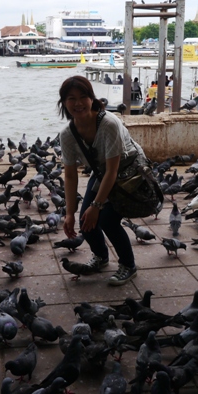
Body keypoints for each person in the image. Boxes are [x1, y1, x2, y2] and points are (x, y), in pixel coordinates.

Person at [58, 76, 138, 286]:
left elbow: (113, 170)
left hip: (128, 171)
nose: (78, 103)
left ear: (92, 98)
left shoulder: (109, 124)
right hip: (102, 171)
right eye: (71, 98)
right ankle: (101, 257)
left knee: (106, 219)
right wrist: (69, 213)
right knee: (86, 221)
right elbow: (70, 175)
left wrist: (96, 205)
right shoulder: (67, 134)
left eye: (83, 97)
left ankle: (129, 265)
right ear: (63, 103)